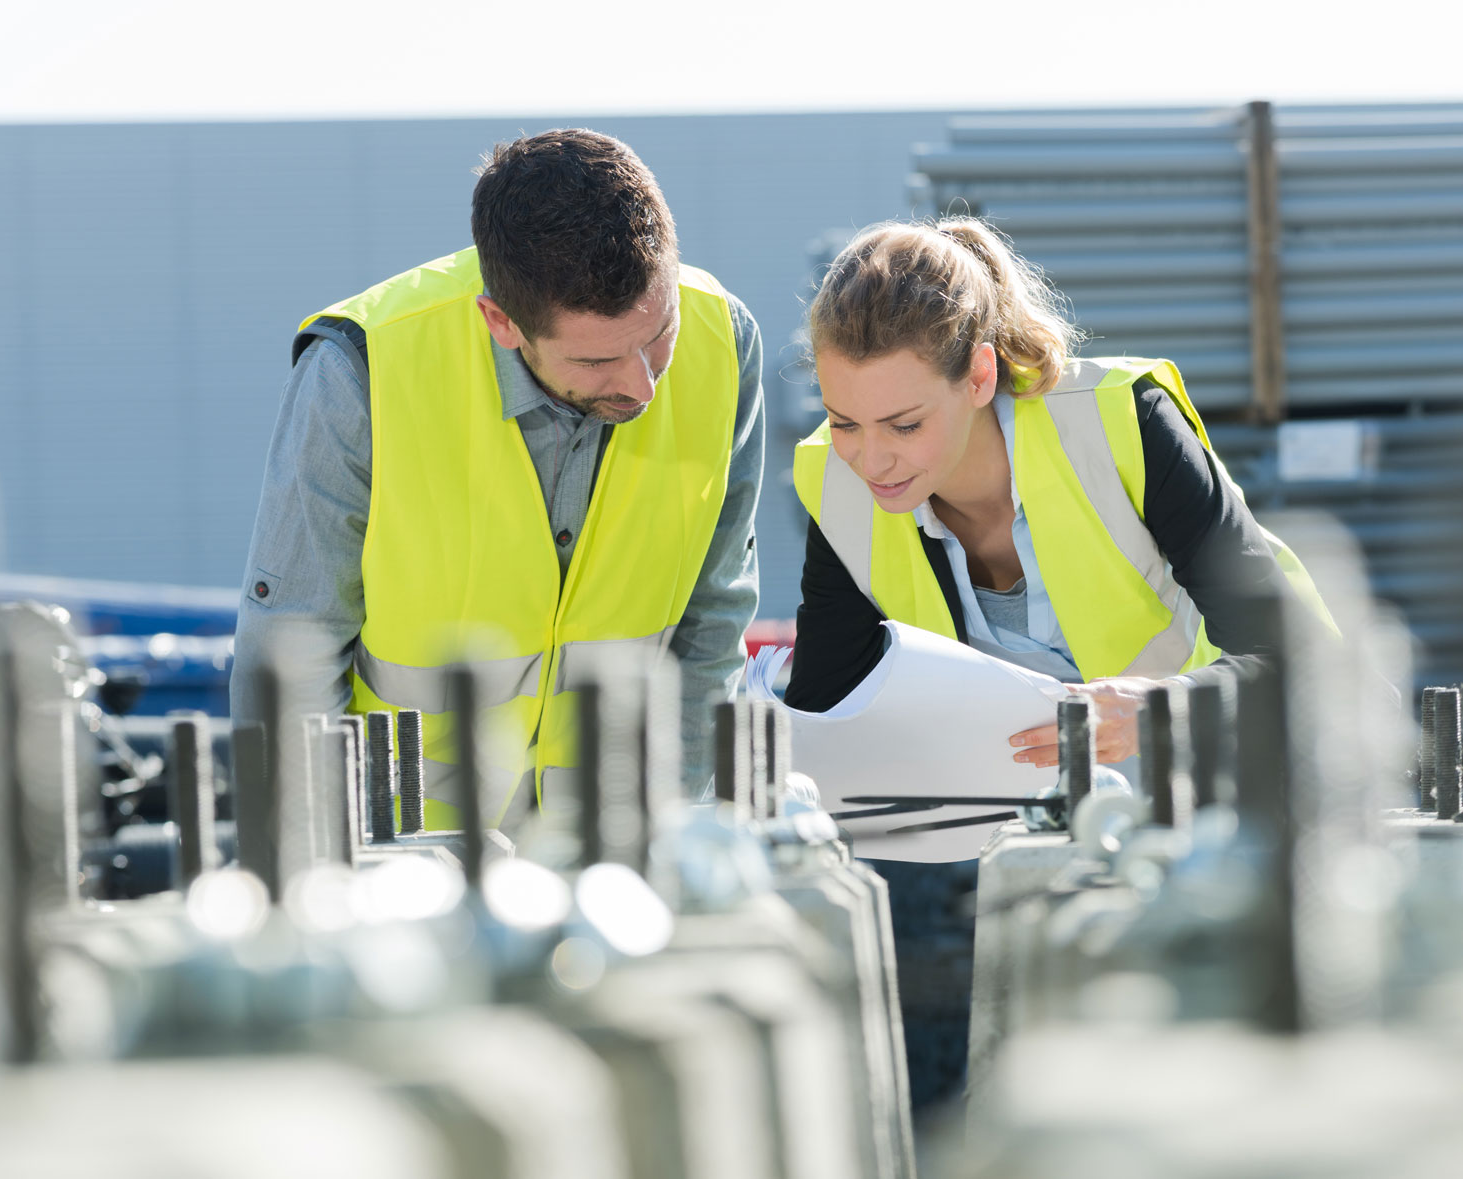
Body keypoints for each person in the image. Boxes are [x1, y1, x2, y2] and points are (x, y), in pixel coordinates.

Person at [783, 216, 1335, 1111]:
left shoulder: (1121, 425)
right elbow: (828, 715)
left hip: (1201, 846)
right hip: (1007, 877)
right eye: (844, 421)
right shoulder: (838, 485)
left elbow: (1311, 669)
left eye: (903, 422)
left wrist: (1163, 709)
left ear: (980, 376)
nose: (871, 457)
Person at [232, 129, 764, 829]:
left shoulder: (725, 343)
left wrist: (678, 831)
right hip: (407, 857)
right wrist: (320, 878)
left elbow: (710, 625)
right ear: (501, 322)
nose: (643, 385)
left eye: (657, 333)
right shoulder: (357, 375)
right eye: (597, 362)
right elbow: (291, 661)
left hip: (614, 853)